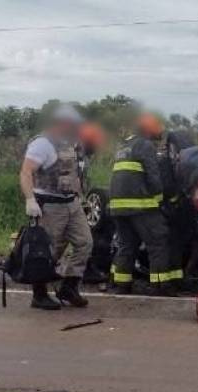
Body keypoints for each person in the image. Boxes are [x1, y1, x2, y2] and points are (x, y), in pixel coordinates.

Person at [19, 104, 92, 310]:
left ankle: (69, 286)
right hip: (50, 206)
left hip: (72, 203)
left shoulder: (72, 143)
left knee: (84, 243)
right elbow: (26, 172)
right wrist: (30, 199)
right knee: (46, 251)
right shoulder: (42, 144)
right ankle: (39, 294)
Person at [109, 113, 181, 296]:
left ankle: (121, 284)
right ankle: (160, 285)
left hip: (118, 208)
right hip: (141, 206)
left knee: (127, 245)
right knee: (158, 242)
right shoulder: (145, 146)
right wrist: (160, 202)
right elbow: (153, 177)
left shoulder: (122, 147)